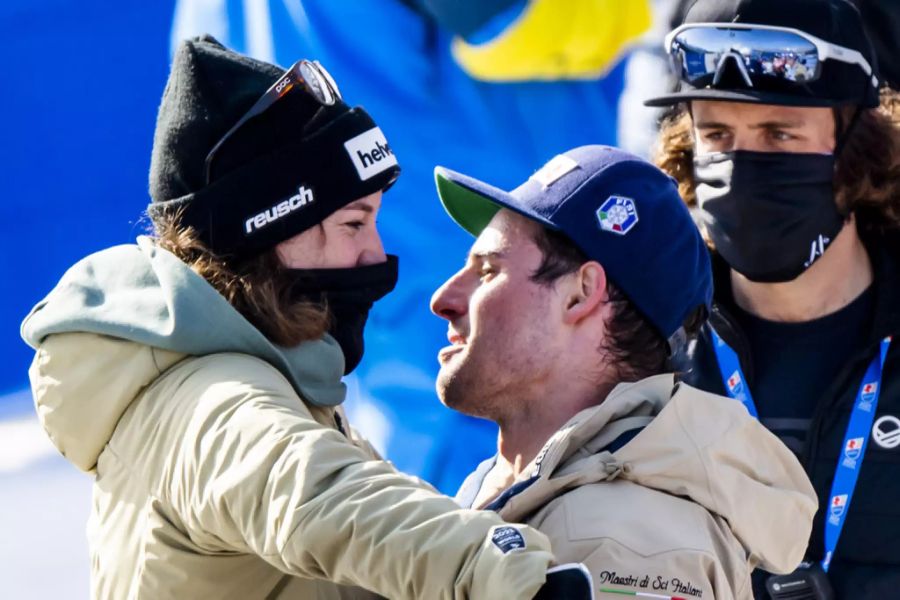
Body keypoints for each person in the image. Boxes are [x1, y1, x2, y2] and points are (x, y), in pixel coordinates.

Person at [20, 35, 593, 600]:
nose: (375, 255)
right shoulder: (211, 402)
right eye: (353, 224)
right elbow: (319, 495)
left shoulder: (248, 377)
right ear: (272, 230)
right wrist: (510, 577)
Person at [429, 145, 818, 599]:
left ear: (581, 294)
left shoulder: (625, 540)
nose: (442, 299)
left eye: (489, 271)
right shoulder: (538, 494)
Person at [646, 0, 900, 596]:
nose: (742, 165)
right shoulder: (640, 340)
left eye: (779, 134)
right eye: (717, 135)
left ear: (852, 151)